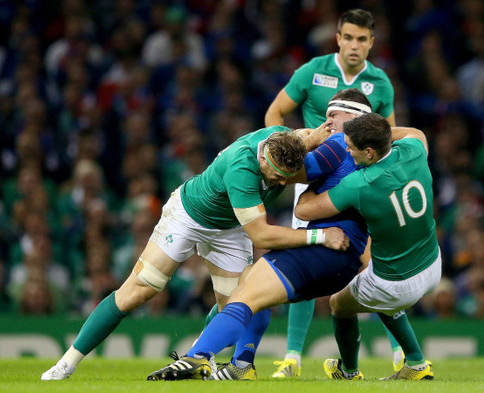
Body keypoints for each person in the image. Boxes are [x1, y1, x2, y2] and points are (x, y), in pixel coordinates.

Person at [41, 124, 348, 381]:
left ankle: (218, 362)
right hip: (190, 216)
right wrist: (320, 236)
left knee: (248, 300)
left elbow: (305, 137)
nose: (282, 182)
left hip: (230, 228)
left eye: (286, 176)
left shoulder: (284, 142)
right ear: (264, 159)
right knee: (141, 288)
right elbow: (262, 234)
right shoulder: (243, 168)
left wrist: (322, 136)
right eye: (277, 175)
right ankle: (66, 363)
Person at [145, 89, 373, 382]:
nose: (325, 122)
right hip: (343, 257)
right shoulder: (374, 155)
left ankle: (198, 357)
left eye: (332, 115)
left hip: (328, 249)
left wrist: (258, 154)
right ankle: (241, 364)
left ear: (354, 118)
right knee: (252, 282)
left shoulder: (341, 142)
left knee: (247, 293)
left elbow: (290, 170)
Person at [264, 8, 398, 377]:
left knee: (375, 260)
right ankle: (291, 357)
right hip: (314, 178)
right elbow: (274, 115)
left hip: (359, 178)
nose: (354, 46)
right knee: (301, 257)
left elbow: (389, 134)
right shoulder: (312, 71)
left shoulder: (381, 83)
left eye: (362, 39)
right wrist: (298, 147)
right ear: (338, 38)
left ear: (372, 43)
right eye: (348, 38)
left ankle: (400, 354)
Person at [295, 113, 441, 380]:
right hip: (433, 266)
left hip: (396, 284)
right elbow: (416, 131)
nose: (346, 151)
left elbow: (304, 211)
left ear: (370, 153)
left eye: (349, 147)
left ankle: (348, 371)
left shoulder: (359, 184)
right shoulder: (414, 151)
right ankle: (417, 363)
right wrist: (380, 132)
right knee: (376, 288)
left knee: (339, 303)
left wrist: (314, 184)